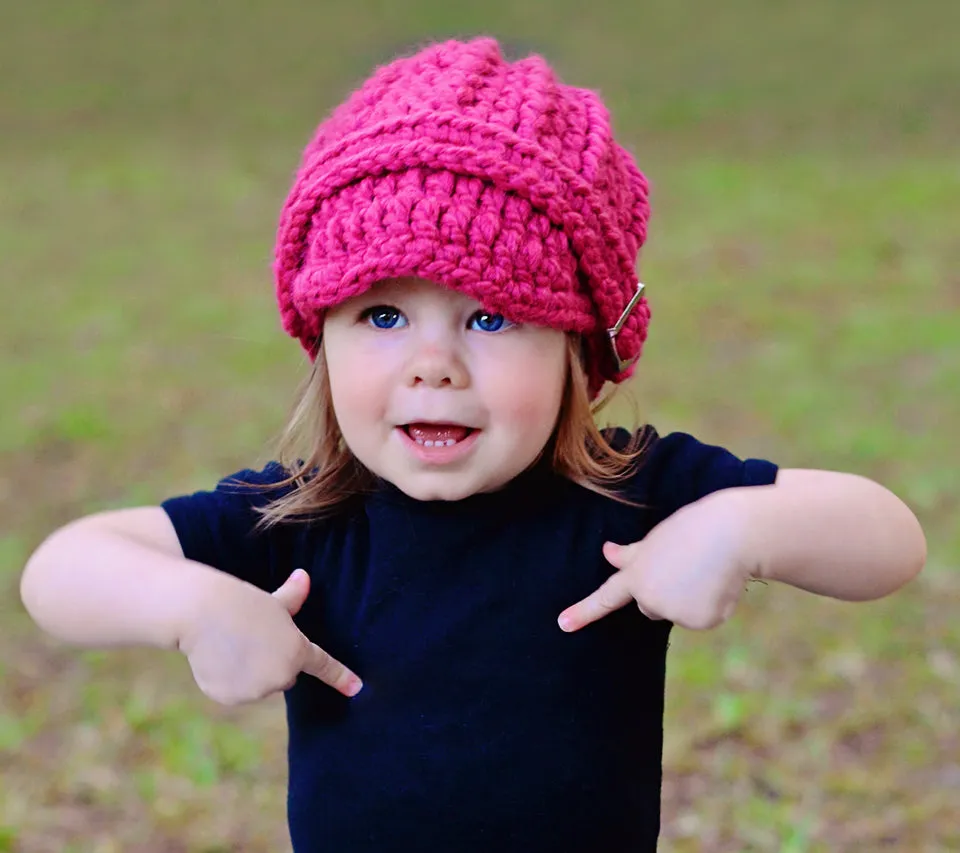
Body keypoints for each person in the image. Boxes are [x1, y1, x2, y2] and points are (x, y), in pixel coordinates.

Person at [19, 37, 926, 852]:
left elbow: (887, 537)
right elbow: (61, 569)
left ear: (579, 344)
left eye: (490, 315)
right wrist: (186, 606)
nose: (434, 364)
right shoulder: (309, 517)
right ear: (319, 334)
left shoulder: (625, 494)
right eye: (382, 313)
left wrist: (738, 532)